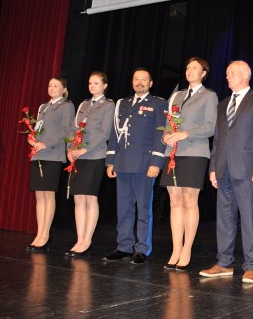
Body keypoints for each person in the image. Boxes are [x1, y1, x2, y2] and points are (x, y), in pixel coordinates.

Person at [199, 60, 253, 284]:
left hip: (248, 169)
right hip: (223, 169)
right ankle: (224, 263)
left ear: (244, 75)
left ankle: (252, 265)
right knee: (224, 218)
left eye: (231, 73)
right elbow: (218, 140)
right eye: (227, 73)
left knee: (249, 218)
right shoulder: (222, 104)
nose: (227, 77)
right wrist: (213, 168)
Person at [103, 68, 166, 264]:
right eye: (136, 79)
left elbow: (160, 135)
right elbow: (115, 133)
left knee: (144, 208)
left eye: (143, 79)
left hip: (144, 163)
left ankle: (142, 248)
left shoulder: (158, 103)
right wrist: (110, 160)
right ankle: (124, 246)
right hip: (122, 162)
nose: (139, 82)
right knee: (124, 207)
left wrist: (156, 162)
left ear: (151, 83)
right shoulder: (123, 103)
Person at [160, 57, 217, 271]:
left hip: (194, 152)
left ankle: (187, 250)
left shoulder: (209, 95)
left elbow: (211, 127)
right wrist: (166, 136)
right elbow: (168, 123)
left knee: (189, 200)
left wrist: (185, 133)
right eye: (187, 68)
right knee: (174, 200)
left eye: (195, 68)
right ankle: (176, 249)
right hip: (172, 151)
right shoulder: (177, 95)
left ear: (204, 73)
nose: (189, 70)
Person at [64, 72, 115, 257]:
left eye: (96, 83)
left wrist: (85, 149)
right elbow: (73, 129)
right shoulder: (84, 105)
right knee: (78, 198)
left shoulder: (109, 105)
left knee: (90, 197)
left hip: (95, 155)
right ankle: (79, 239)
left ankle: (88, 240)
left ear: (105, 85)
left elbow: (105, 132)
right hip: (78, 155)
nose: (92, 86)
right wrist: (70, 149)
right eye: (90, 83)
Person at [26, 77, 75, 251]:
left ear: (64, 89)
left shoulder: (66, 105)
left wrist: (46, 143)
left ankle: (46, 235)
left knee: (48, 195)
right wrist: (32, 138)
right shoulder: (43, 107)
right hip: (38, 154)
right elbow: (37, 128)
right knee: (39, 196)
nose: (52, 88)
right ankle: (39, 233)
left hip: (53, 154)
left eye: (56, 86)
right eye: (49, 85)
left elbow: (66, 131)